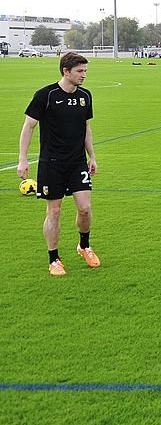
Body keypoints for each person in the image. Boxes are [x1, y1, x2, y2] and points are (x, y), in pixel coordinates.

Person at [18, 52, 101, 276]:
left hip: (77, 162)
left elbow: (86, 128)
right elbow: (28, 127)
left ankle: (84, 245)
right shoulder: (46, 95)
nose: (84, 75)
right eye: (80, 71)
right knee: (54, 211)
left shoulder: (85, 96)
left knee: (85, 208)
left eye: (85, 71)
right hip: (51, 164)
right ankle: (54, 259)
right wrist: (23, 159)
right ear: (66, 71)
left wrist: (92, 156)